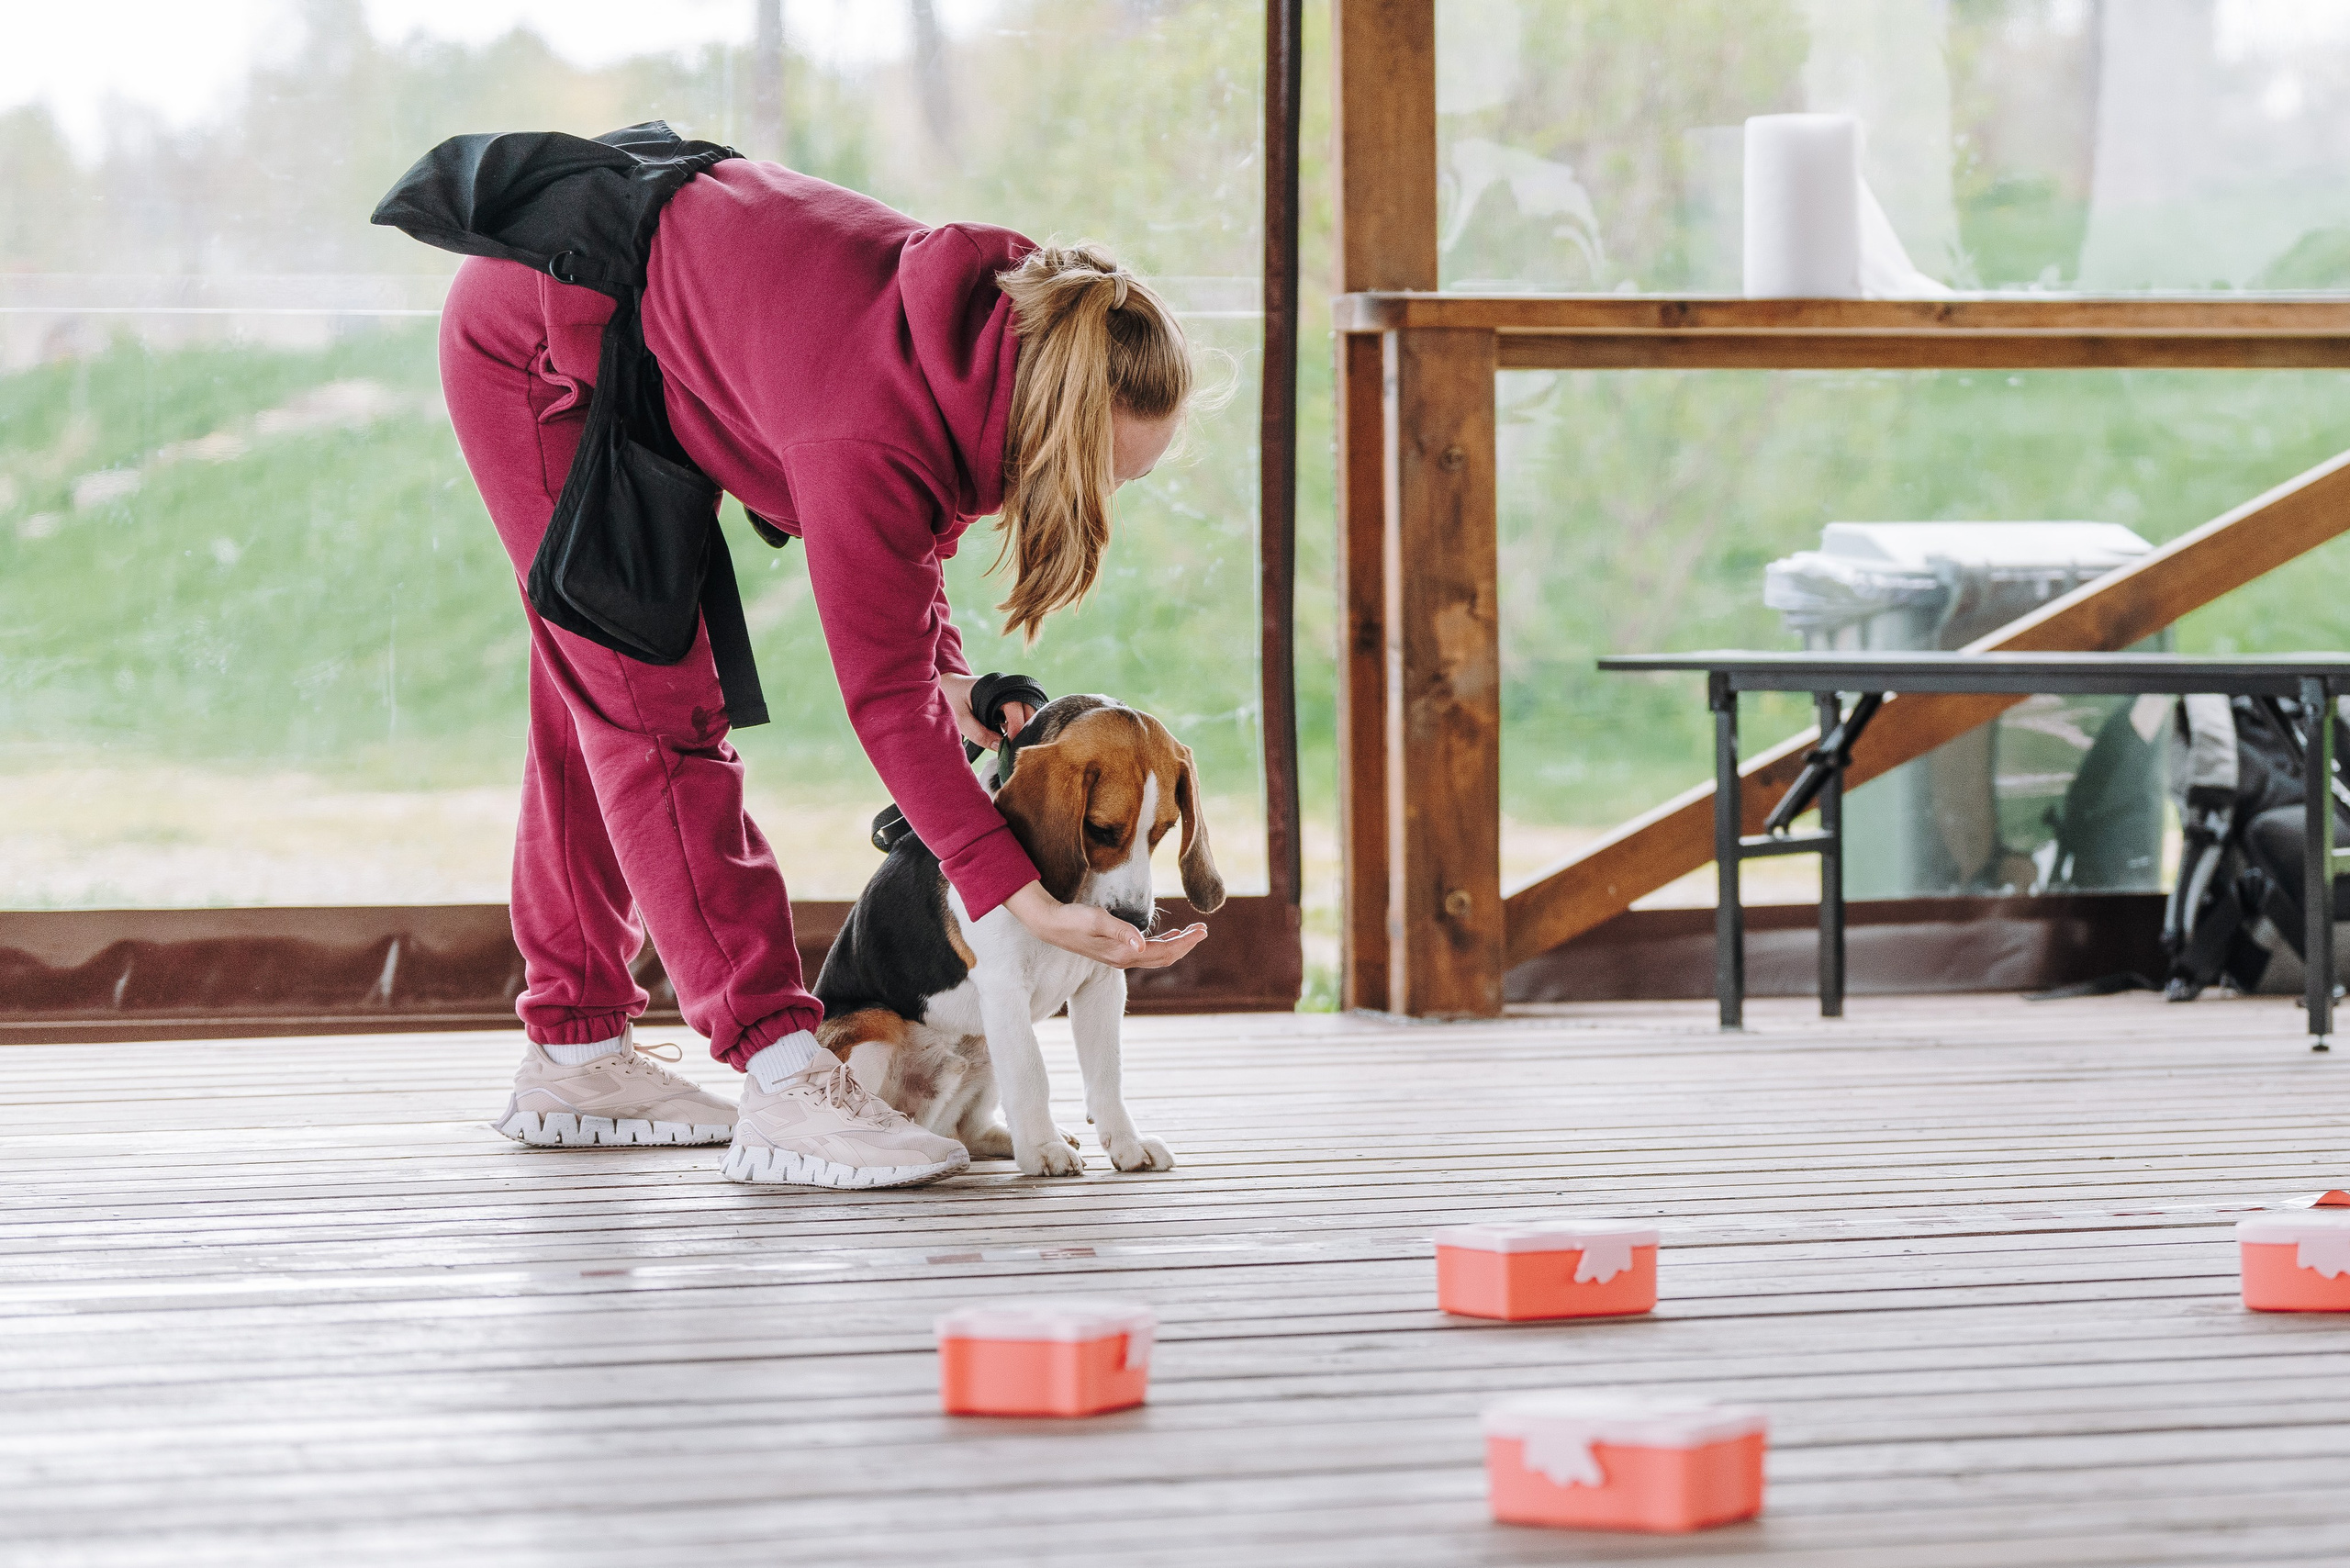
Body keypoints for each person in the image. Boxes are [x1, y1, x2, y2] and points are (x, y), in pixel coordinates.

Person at [437, 157, 1208, 1189]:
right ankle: (783, 1073)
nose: (1102, 502)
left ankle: (575, 1052)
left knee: (591, 687)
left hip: (630, 317)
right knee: (651, 710)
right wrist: (1022, 900)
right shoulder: (871, 418)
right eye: (1104, 476)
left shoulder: (1004, 340)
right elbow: (882, 698)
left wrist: (950, 678)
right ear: (1055, 431)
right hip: (538, 335)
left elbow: (908, 552)